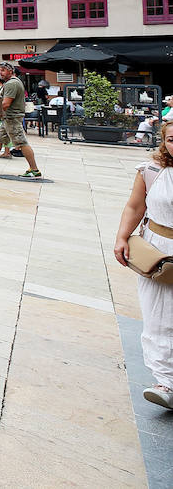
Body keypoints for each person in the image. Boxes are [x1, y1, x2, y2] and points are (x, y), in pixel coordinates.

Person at [114, 122, 173, 410]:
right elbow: (135, 206)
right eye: (172, 139)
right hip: (158, 251)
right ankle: (166, 381)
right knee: (158, 314)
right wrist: (122, 237)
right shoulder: (151, 171)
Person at [0, 63, 43, 177]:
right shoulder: (12, 82)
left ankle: (34, 169)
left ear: (11, 71)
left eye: (3, 70)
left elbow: (6, 103)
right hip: (7, 118)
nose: (0, 73)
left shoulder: (12, 83)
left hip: (12, 118)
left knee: (22, 143)